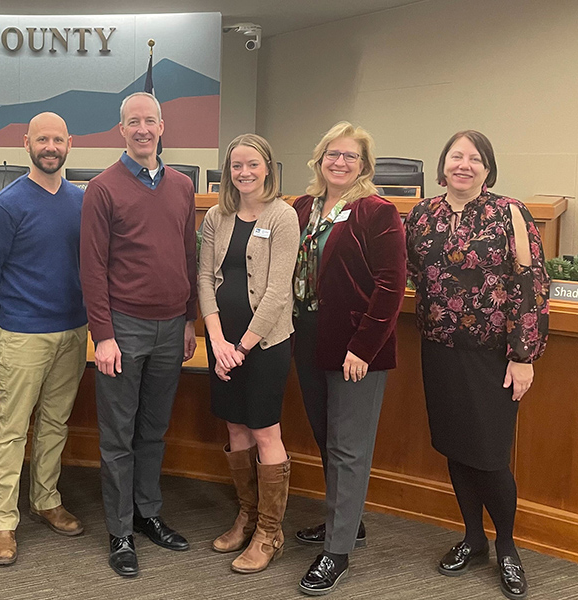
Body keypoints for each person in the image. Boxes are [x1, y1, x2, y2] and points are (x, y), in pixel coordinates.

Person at [405, 131, 549, 600]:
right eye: (456, 156)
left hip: (494, 357)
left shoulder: (509, 212)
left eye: (475, 158)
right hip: (440, 349)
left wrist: (523, 355)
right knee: (455, 447)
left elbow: (532, 283)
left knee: (489, 456)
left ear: (488, 168)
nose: (463, 164)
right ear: (442, 163)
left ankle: (506, 546)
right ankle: (473, 538)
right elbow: (404, 273)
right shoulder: (422, 215)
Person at [80, 91, 198, 578]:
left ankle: (149, 513)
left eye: (150, 121)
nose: (143, 129)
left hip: (173, 326)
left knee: (154, 428)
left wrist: (190, 318)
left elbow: (189, 254)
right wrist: (103, 335)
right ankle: (120, 529)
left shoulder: (183, 185)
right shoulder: (102, 188)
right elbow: (92, 267)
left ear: (162, 126)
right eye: (134, 122)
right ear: (121, 129)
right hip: (123, 328)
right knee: (119, 435)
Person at [291, 122, 406, 595]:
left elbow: (390, 285)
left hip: (357, 346)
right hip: (308, 337)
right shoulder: (301, 208)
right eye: (331, 155)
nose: (339, 163)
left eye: (350, 157)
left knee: (349, 447)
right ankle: (347, 522)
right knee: (325, 436)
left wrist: (362, 347)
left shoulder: (376, 212)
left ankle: (336, 552)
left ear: (364, 166)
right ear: (319, 160)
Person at [0, 112, 88, 566]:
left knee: (56, 423)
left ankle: (46, 500)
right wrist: (17, 315)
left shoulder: (82, 202)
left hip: (74, 331)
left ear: (69, 144)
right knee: (12, 428)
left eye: (58, 139)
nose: (50, 146)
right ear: (27, 143)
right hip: (24, 333)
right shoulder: (5, 206)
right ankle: (3, 522)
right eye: (42, 139)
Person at [198, 134, 298, 573]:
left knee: (263, 431)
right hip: (223, 343)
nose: (244, 173)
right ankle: (247, 515)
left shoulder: (284, 216)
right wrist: (217, 342)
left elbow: (277, 292)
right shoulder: (216, 217)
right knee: (235, 428)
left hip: (264, 344)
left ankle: (269, 533)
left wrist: (241, 347)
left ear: (268, 167)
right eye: (236, 165)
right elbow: (204, 279)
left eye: (252, 164)